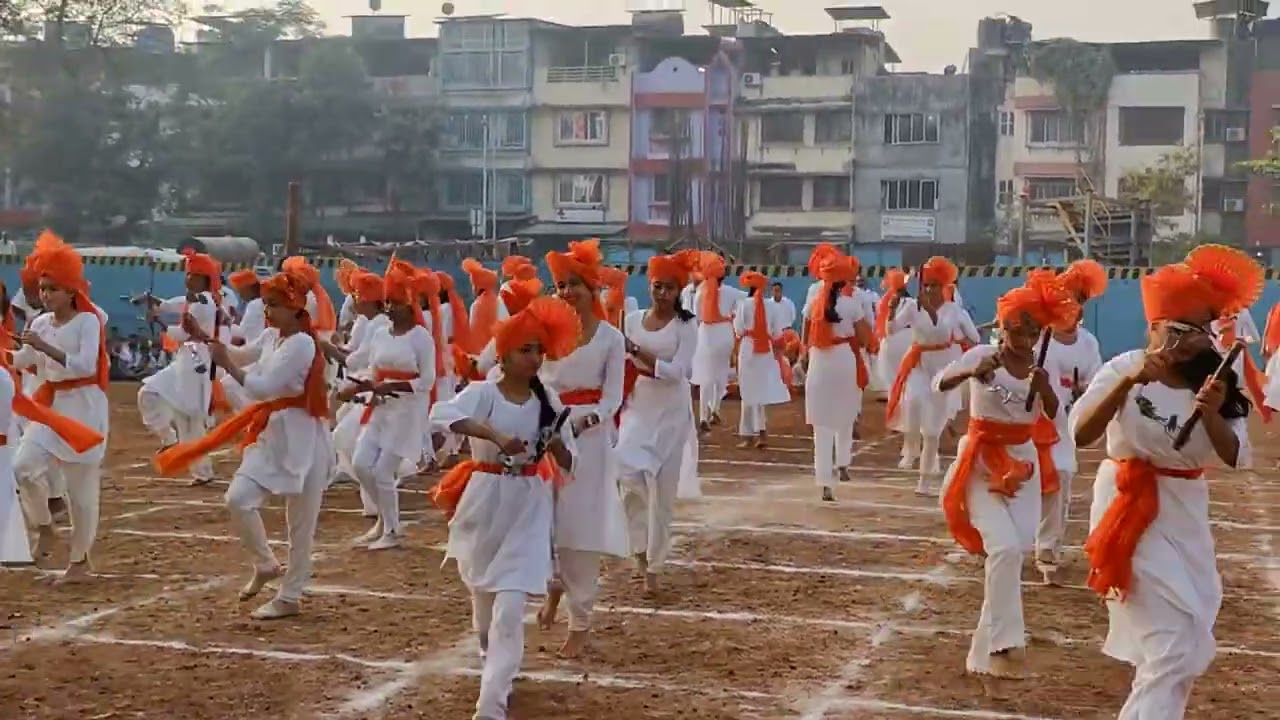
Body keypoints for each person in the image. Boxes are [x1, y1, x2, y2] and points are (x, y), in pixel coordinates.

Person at [1073, 246, 1260, 720]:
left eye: (1196, 333)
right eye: (1175, 332)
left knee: (1188, 643)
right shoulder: (1124, 367)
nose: (1185, 344)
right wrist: (1128, 382)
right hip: (1127, 503)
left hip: (1184, 509)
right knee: (1171, 645)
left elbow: (1237, 456)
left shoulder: (1221, 378)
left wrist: (1213, 412)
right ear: (1153, 328)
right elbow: (1081, 434)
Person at [428, 296, 580, 720]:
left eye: (538, 350)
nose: (534, 358)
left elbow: (570, 460)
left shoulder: (548, 399)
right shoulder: (482, 393)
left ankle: (491, 704)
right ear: (505, 354)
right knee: (483, 605)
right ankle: (490, 661)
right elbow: (443, 416)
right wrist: (493, 436)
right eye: (525, 350)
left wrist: (556, 450)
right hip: (484, 501)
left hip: (530, 504)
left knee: (510, 609)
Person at [155, 271, 332, 619]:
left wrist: (226, 364)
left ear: (297, 309)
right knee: (237, 498)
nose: (268, 311)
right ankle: (266, 562)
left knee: (301, 523)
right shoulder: (272, 336)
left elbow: (263, 387)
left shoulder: (302, 344)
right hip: (271, 433)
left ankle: (290, 595)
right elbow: (240, 354)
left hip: (305, 436)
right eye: (266, 303)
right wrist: (205, 339)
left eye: (276, 305)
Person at [934, 273, 1077, 693]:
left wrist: (1046, 390)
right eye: (1018, 327)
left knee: (1011, 556)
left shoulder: (1040, 366)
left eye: (1033, 329)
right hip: (980, 461)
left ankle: (983, 655)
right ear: (1004, 326)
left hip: (1024, 467)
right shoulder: (982, 354)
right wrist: (970, 373)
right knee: (1005, 549)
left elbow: (1054, 416)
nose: (1026, 335)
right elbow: (938, 382)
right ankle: (1006, 644)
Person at [537, 239, 629, 658]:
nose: (567, 291)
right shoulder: (544, 332)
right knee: (539, 523)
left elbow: (612, 401)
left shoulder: (611, 338)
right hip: (544, 436)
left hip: (587, 444)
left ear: (593, 289)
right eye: (560, 285)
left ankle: (581, 622)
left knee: (579, 531)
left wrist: (580, 421)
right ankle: (553, 584)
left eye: (575, 283)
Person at [13, 232, 111, 582]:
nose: (45, 295)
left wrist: (43, 345)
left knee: (82, 495)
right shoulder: (38, 322)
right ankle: (44, 524)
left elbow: (85, 365)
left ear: (71, 290)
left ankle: (80, 563)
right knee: (22, 467)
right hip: (50, 407)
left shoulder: (89, 321)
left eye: (52, 288)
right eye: (42, 289)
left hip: (84, 409)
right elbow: (25, 359)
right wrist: (9, 353)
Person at [616, 250, 699, 594]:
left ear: (678, 290)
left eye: (668, 287)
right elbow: (619, 360)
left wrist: (637, 352)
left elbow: (678, 372)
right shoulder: (631, 319)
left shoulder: (687, 324)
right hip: (638, 406)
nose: (661, 293)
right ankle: (638, 551)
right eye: (656, 286)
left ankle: (655, 566)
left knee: (662, 495)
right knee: (626, 476)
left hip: (672, 413)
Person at [344, 260, 435, 551]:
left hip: (407, 411)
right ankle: (384, 521)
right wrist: (359, 387)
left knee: (383, 470)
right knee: (360, 462)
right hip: (380, 406)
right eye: (387, 303)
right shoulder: (381, 333)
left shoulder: (421, 337)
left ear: (410, 305)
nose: (389, 308)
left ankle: (393, 530)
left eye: (395, 303)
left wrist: (393, 387)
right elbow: (373, 369)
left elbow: (427, 380)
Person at [1034, 260, 1106, 584]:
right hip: (1027, 420)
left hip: (1062, 424)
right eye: (1067, 297)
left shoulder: (1089, 343)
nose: (1072, 305)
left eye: (1078, 299)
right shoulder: (1036, 336)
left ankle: (1048, 547)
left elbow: (1096, 382)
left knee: (1061, 475)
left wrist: (1083, 391)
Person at [885, 256, 981, 496]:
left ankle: (925, 480)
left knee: (932, 430)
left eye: (934, 286)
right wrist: (890, 311)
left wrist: (959, 341)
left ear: (944, 287)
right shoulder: (910, 307)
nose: (929, 290)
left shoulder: (954, 311)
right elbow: (891, 330)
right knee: (913, 402)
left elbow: (972, 338)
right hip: (919, 363)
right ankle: (910, 451)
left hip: (944, 368)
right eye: (926, 285)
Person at [137, 250, 224, 486]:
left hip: (196, 355)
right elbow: (173, 305)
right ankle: (170, 439)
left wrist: (159, 322)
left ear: (204, 278)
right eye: (187, 275)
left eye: (193, 275)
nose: (187, 279)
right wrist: (154, 303)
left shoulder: (203, 302)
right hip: (187, 356)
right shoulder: (196, 299)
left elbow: (185, 332)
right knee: (150, 392)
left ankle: (201, 471)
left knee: (191, 417)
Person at [805, 253, 875, 501]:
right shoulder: (851, 304)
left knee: (821, 423)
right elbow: (866, 337)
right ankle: (843, 464)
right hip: (844, 359)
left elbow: (805, 330)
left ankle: (824, 480)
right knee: (845, 415)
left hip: (819, 359)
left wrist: (805, 352)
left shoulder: (815, 302)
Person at [733, 272, 790, 449]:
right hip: (765, 348)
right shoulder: (771, 307)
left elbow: (739, 329)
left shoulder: (744, 304)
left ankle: (748, 434)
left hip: (748, 348)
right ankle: (762, 432)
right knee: (761, 390)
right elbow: (777, 333)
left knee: (748, 390)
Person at [690, 252, 744, 433]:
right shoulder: (731, 293)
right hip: (724, 334)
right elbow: (748, 299)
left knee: (707, 375)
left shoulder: (700, 292)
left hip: (706, 333)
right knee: (721, 372)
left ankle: (704, 416)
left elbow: (696, 315)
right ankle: (716, 408)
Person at [462, 258, 509, 356]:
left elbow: (473, 335)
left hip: (481, 356)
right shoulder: (499, 303)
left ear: (477, 287)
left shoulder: (476, 305)